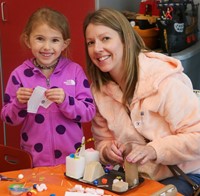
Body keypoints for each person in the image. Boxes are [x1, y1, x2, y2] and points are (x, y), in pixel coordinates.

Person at [83, 8, 200, 195]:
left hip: (185, 174)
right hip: (135, 178)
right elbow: (102, 141)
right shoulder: (98, 91)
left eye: (105, 38)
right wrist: (107, 151)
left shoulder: (163, 80)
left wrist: (154, 150)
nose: (97, 48)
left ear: (125, 40)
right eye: (90, 42)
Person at [1, 7, 96, 167]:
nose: (47, 47)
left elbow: (89, 112)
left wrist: (66, 100)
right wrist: (19, 103)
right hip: (34, 158)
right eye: (40, 38)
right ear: (27, 40)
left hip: (72, 159)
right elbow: (7, 118)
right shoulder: (20, 74)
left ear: (64, 44)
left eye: (54, 40)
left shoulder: (74, 71)